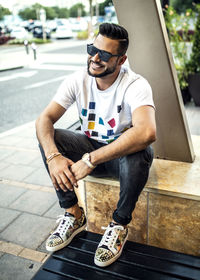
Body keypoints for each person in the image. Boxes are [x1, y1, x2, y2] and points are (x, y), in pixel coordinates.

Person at [36, 22, 156, 267]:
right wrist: (53, 157)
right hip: (88, 146)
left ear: (121, 60)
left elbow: (147, 131)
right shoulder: (78, 80)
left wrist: (90, 160)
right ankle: (73, 214)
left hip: (119, 159)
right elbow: (44, 119)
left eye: (103, 54)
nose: (94, 58)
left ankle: (119, 225)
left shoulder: (135, 84)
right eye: (92, 48)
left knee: (141, 151)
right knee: (51, 137)